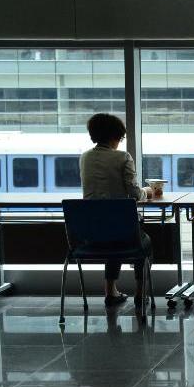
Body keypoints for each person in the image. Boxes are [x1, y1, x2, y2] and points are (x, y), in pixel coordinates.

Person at [79, 113, 153, 311]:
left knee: (111, 235)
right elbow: (135, 193)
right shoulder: (123, 157)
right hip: (122, 230)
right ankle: (140, 292)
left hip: (91, 233)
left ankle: (110, 291)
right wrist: (148, 191)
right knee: (141, 241)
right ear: (115, 136)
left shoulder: (85, 157)